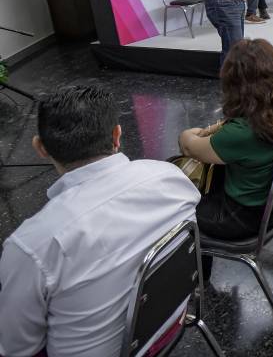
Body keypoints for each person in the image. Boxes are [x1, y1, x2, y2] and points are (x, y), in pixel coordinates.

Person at [0, 86, 199, 357]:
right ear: (117, 134)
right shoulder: (171, 178)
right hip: (169, 323)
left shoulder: (33, 245)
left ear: (40, 148)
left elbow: (17, 348)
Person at [178, 39, 273, 239]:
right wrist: (217, 128)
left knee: (174, 215)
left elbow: (189, 148)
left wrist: (189, 133)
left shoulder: (240, 134)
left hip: (242, 218)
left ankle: (197, 268)